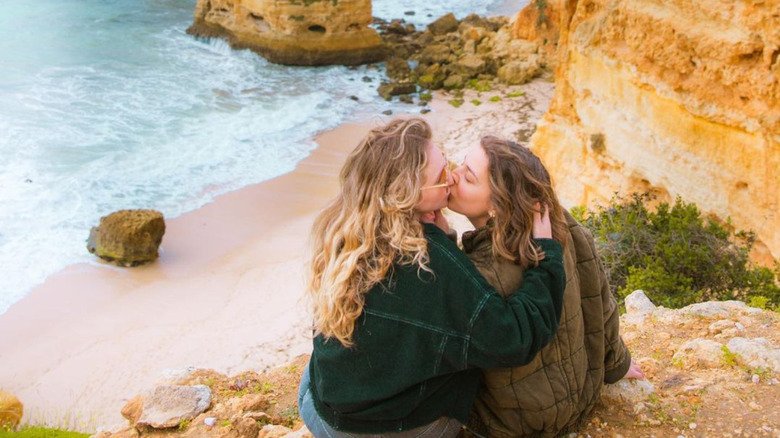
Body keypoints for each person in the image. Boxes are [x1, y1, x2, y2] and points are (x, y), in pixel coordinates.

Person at [298, 118, 567, 437]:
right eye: (442, 176)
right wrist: (547, 256)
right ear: (408, 193)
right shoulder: (429, 264)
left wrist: (443, 236)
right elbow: (515, 339)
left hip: (317, 404)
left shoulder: (346, 229)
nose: (451, 179)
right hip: (379, 431)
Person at [447, 136, 645, 438]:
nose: (453, 175)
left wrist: (439, 239)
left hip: (515, 425)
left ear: (497, 208)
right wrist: (617, 364)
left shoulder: (477, 272)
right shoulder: (560, 224)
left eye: (468, 176)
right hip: (582, 396)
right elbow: (599, 298)